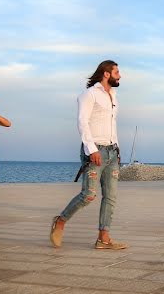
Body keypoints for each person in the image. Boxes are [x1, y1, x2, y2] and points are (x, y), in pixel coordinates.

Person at [50, 60, 128, 249]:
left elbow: (112, 124)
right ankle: (60, 221)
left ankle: (103, 238)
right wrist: (91, 149)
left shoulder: (113, 95)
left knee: (111, 196)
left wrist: (117, 149)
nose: (120, 75)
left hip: (111, 151)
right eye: (117, 72)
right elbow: (82, 122)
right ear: (106, 73)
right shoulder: (89, 94)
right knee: (89, 195)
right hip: (95, 151)